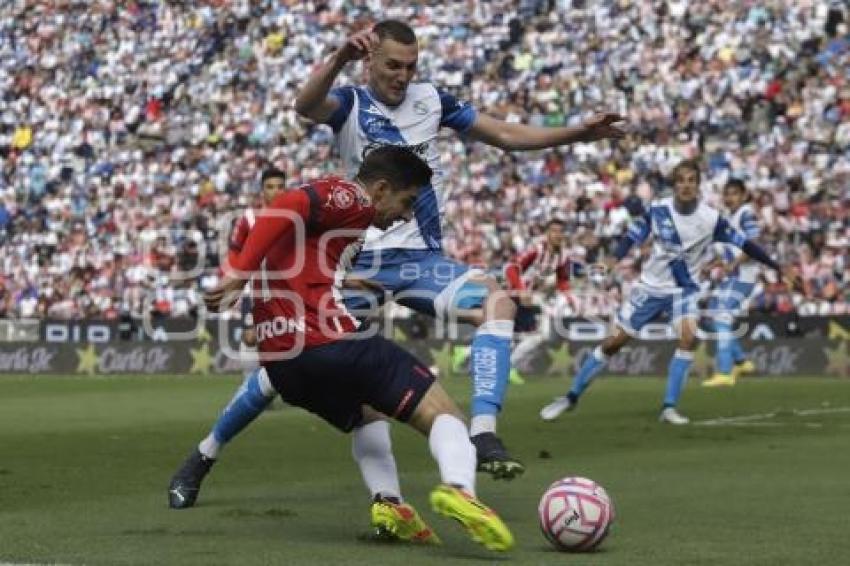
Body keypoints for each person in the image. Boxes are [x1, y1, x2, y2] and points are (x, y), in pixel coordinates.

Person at [167, 19, 624, 510]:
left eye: (410, 66)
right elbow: (305, 106)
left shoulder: (434, 102)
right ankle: (204, 454)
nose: (402, 76)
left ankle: (484, 434)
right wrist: (339, 58)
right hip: (354, 264)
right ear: (370, 63)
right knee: (280, 368)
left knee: (497, 302)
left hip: (419, 262)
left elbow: (505, 134)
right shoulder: (350, 104)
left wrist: (577, 133)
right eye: (391, 65)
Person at [201, 146, 514, 551]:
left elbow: (299, 257)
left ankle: (389, 505)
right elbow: (288, 205)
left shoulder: (335, 228)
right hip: (328, 342)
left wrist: (348, 282)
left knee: (369, 413)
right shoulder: (352, 198)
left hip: (282, 363)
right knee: (443, 413)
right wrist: (239, 275)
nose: (404, 216)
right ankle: (460, 490)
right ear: (381, 189)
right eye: (406, 203)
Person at [539, 160, 793, 424]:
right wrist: (613, 260)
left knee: (688, 338)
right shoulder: (658, 209)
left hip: (684, 291)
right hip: (649, 288)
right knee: (613, 343)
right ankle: (570, 397)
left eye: (691, 180)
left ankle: (669, 407)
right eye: (681, 180)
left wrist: (778, 266)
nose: (686, 185)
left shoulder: (711, 219)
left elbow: (748, 245)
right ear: (674, 185)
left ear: (698, 185)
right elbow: (631, 238)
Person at [702, 179, 760, 387]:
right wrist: (713, 264)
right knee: (711, 317)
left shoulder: (746, 213)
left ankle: (725, 372)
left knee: (722, 319)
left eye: (734, 193)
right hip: (734, 276)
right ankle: (742, 362)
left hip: (744, 276)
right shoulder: (729, 217)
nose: (729, 198)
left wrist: (733, 263)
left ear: (744, 195)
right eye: (727, 194)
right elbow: (730, 252)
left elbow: (754, 244)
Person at [504, 218, 573, 383]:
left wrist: (569, 296)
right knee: (525, 335)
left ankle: (505, 365)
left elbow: (562, 279)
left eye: (560, 231)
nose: (557, 235)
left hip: (531, 298)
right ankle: (507, 367)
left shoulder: (563, 256)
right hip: (514, 294)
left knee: (530, 335)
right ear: (547, 233)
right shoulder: (536, 248)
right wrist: (521, 290)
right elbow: (512, 268)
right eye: (554, 231)